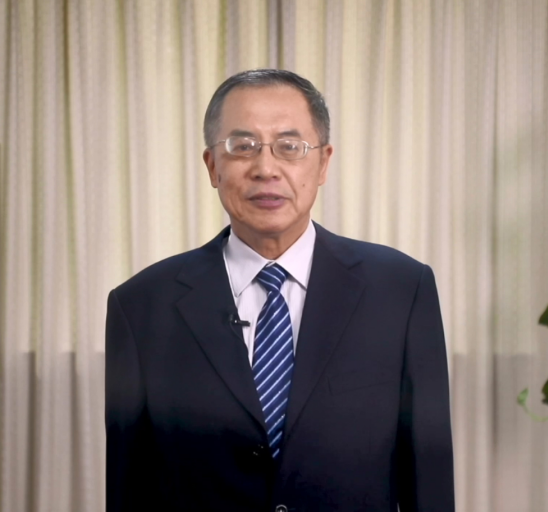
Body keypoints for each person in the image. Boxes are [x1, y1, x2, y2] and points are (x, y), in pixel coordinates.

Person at [105, 69, 455, 512]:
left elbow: (429, 477)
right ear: (212, 166)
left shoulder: (402, 290)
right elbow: (129, 488)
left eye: (290, 147)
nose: (265, 169)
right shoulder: (140, 306)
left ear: (323, 163)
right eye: (243, 146)